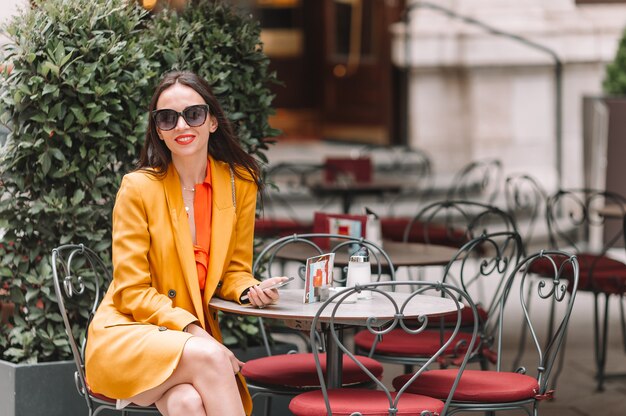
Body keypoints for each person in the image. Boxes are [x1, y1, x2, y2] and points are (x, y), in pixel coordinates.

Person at [84, 70, 287, 416]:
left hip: (189, 344)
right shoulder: (138, 188)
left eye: (193, 114)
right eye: (167, 118)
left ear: (211, 121)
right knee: (210, 358)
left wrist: (248, 289)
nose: (181, 126)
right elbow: (132, 291)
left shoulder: (240, 183)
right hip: (130, 333)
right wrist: (197, 333)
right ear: (158, 132)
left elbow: (235, 269)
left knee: (186, 403)